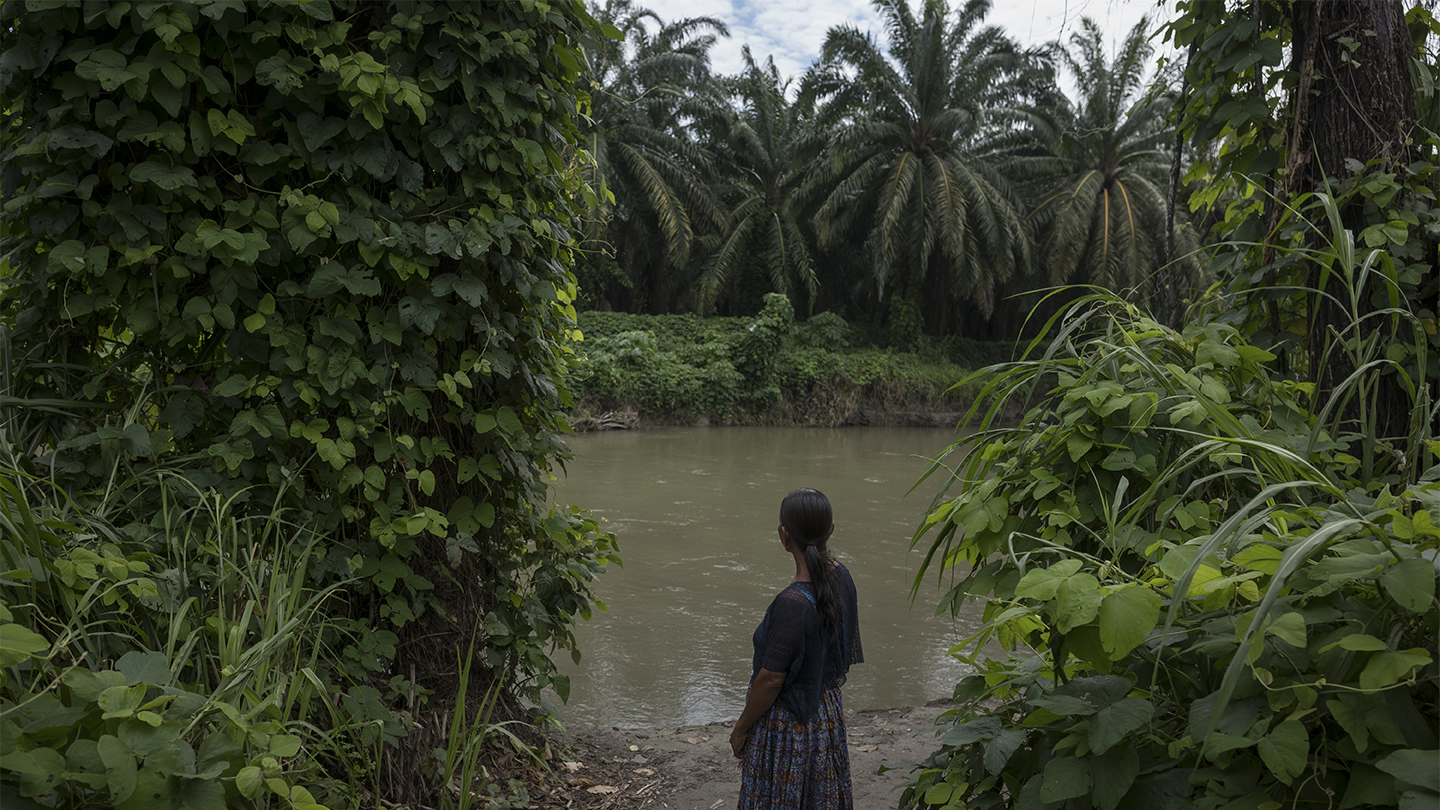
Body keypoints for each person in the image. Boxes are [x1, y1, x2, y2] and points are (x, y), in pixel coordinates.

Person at [730, 487, 863, 810]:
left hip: (789, 726)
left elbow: (771, 680)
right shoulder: (841, 577)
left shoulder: (792, 604)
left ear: (783, 534)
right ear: (830, 530)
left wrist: (740, 730)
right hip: (826, 714)